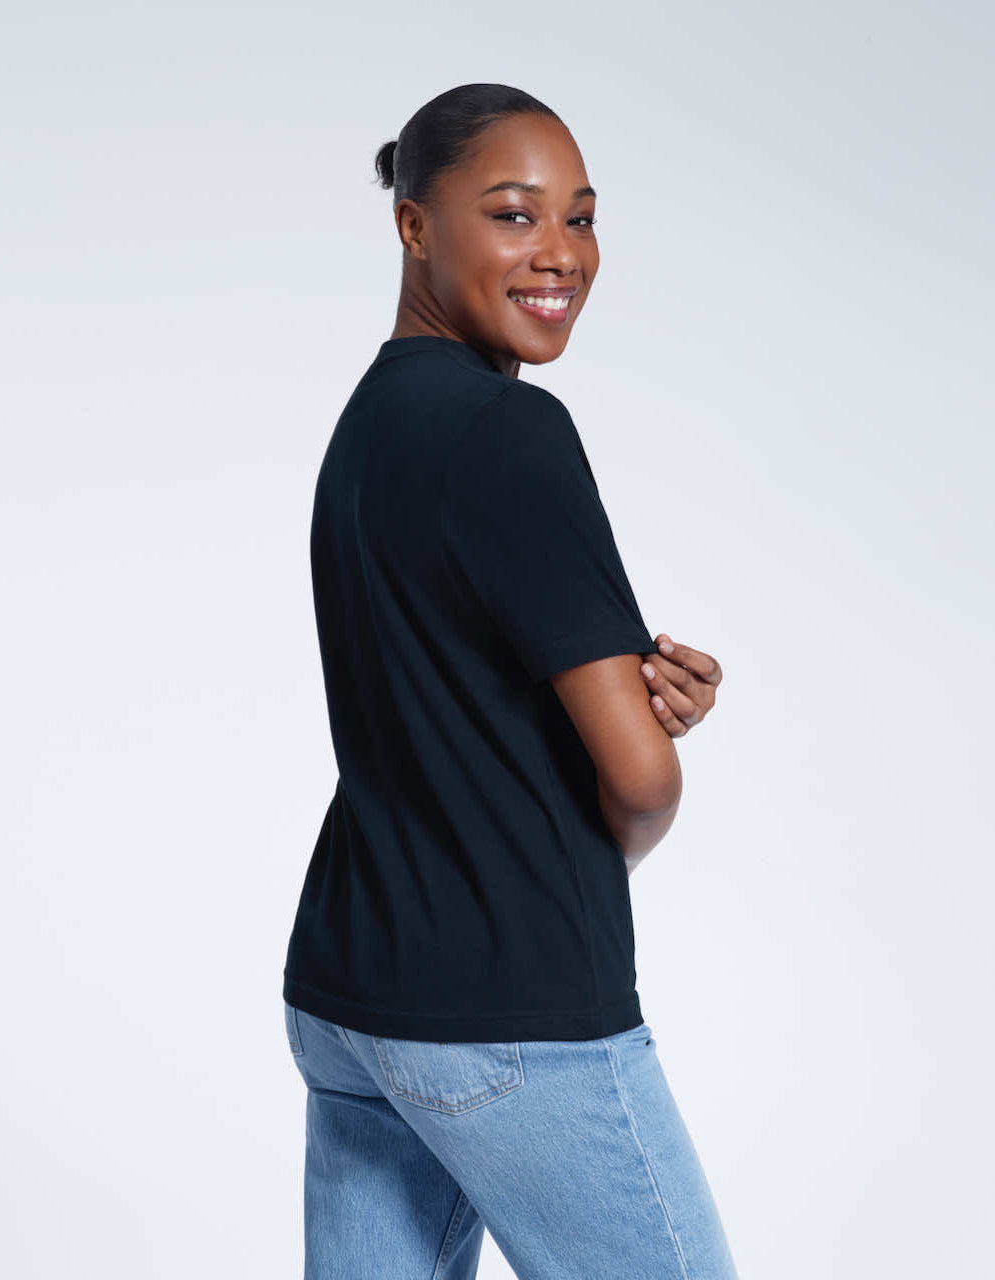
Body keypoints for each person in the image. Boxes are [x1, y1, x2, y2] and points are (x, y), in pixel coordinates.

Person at [281, 83, 735, 1279]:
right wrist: (631, 761)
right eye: (514, 214)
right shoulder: (510, 433)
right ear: (413, 225)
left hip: (353, 990)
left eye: (580, 220)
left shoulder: (369, 424)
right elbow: (639, 781)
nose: (560, 255)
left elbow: (445, 704)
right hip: (507, 1009)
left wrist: (617, 710)